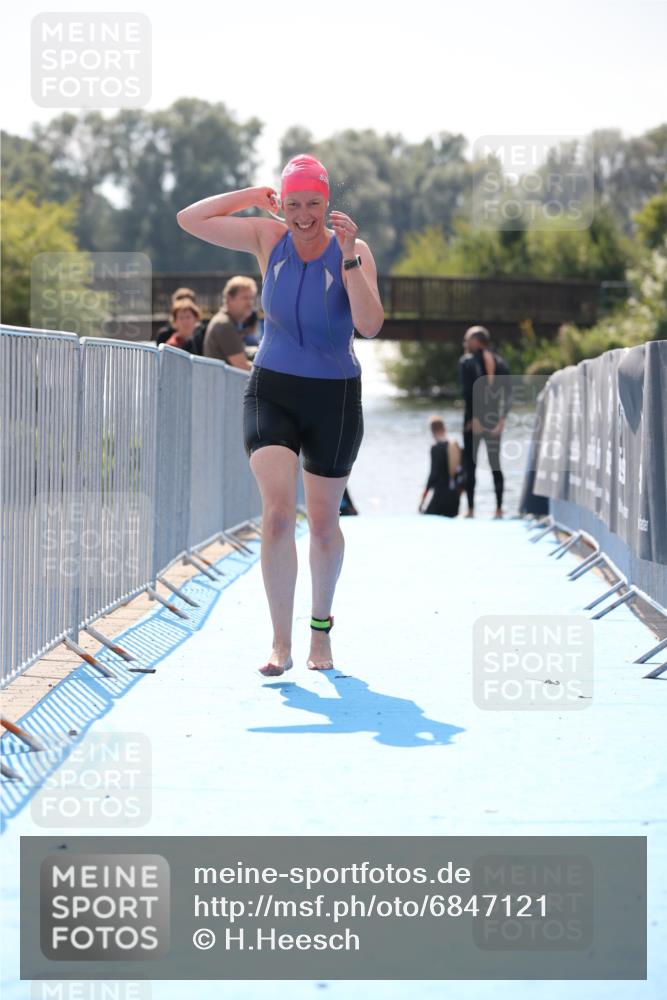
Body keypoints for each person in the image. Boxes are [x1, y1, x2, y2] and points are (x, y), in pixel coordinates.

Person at [177, 154, 384, 675]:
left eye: (313, 203)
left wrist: (349, 260)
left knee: (320, 525)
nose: (303, 214)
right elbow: (190, 219)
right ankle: (279, 645)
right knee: (275, 515)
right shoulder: (268, 240)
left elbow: (371, 324)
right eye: (293, 204)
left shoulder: (351, 250)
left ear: (327, 203)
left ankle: (320, 634)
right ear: (283, 205)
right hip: (271, 387)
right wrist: (250, 196)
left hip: (334, 397)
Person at [458, 325, 512, 518]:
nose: (465, 342)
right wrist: (502, 420)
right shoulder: (500, 363)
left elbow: (468, 392)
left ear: (478, 341)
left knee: (470, 465)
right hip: (493, 420)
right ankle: (499, 509)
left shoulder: (467, 362)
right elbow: (509, 395)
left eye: (468, 339)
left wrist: (474, 418)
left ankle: (471, 510)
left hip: (474, 422)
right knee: (495, 464)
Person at [202, 276, 257, 370]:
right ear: (229, 299)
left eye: (251, 298)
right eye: (245, 298)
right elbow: (243, 366)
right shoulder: (224, 325)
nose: (249, 303)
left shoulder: (225, 321)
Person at [418, 416, 464, 517]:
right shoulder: (455, 445)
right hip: (454, 497)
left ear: (432, 431)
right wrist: (459, 493)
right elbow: (462, 472)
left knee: (425, 518)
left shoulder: (435, 448)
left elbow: (433, 475)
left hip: (440, 495)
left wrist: (423, 498)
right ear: (444, 428)